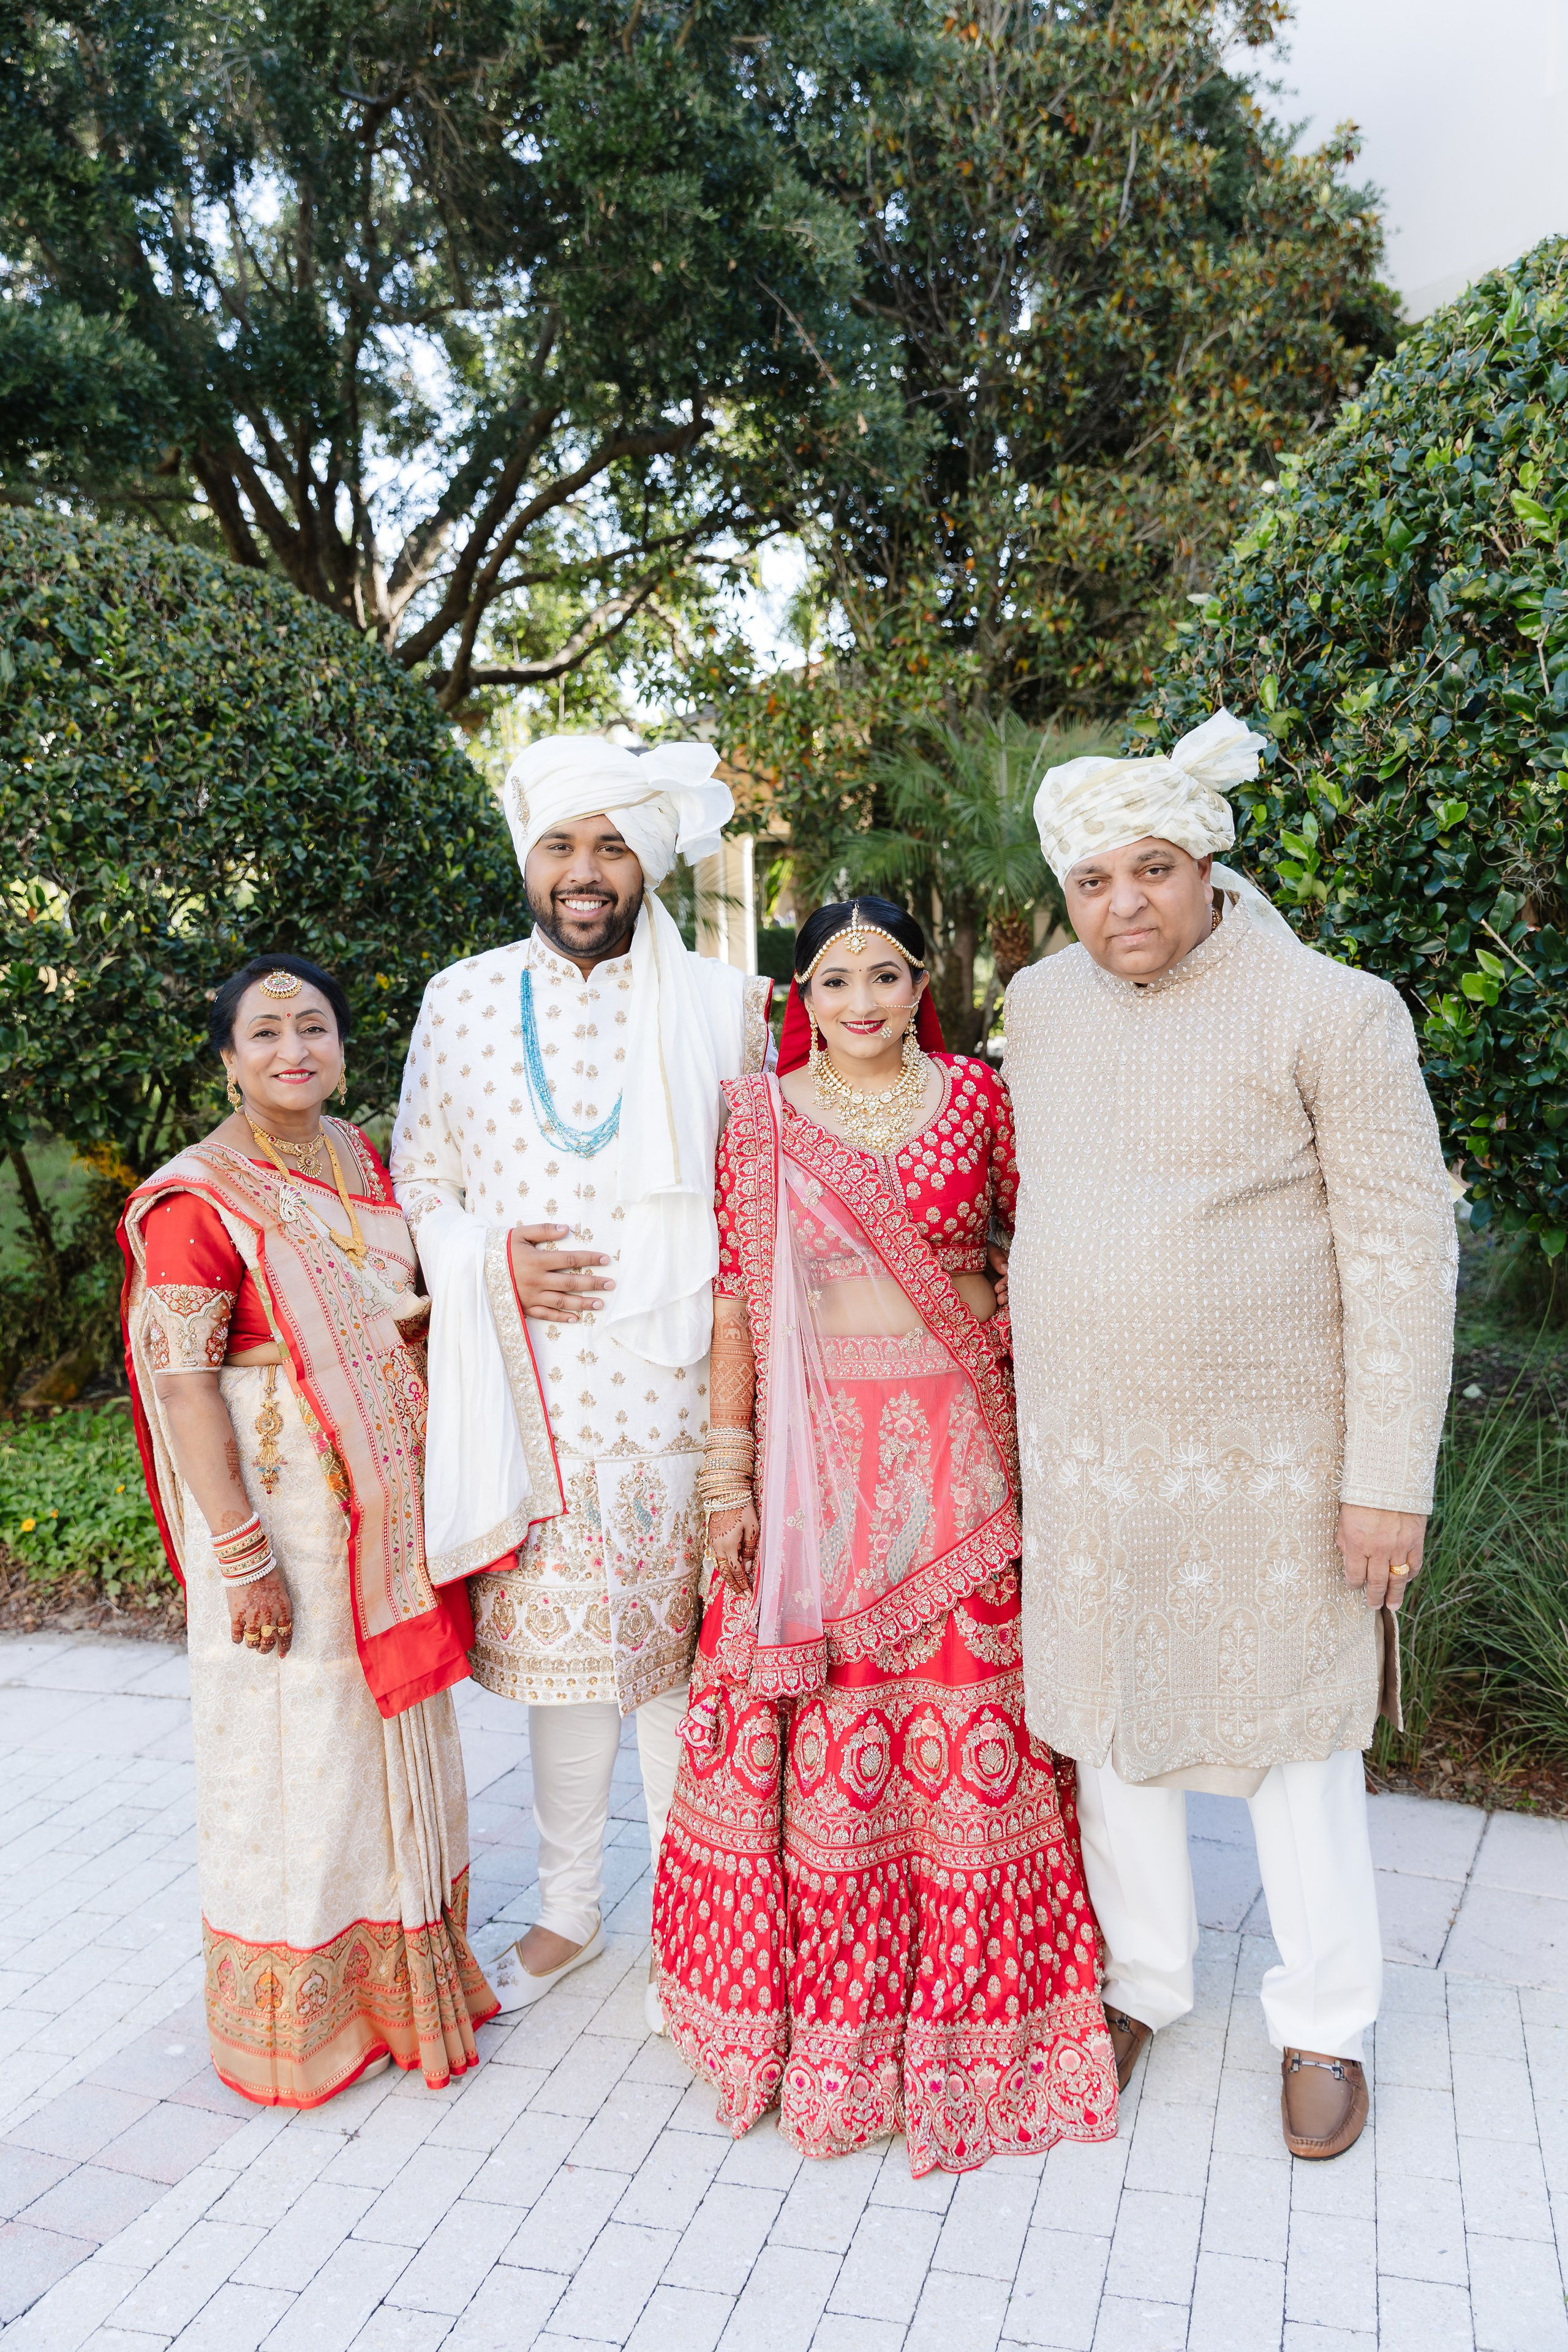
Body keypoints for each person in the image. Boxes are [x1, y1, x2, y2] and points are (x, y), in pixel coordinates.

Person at [1004, 709, 1458, 2160]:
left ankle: (1324, 2017)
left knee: (1292, 1740)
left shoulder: (1333, 1008)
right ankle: (1143, 1977)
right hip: (1087, 1455)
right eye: (1091, 880)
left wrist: (1385, 1482)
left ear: (1205, 864)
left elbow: (1400, 1260)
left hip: (1272, 1466)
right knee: (1114, 1722)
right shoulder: (1037, 1006)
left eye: (1150, 869)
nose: (1120, 905)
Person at [652, 896, 1117, 2176]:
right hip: (815, 1471)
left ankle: (978, 2026)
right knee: (829, 1719)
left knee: (968, 1720)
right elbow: (741, 1298)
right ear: (801, 991)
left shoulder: (978, 1098)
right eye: (835, 976)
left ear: (923, 987)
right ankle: (827, 2033)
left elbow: (1046, 1248)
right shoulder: (758, 1116)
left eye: (886, 974)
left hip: (959, 1441)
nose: (861, 999)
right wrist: (729, 1476)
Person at [391, 737, 773, 2029]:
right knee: (565, 1670)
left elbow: (760, 1197)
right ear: (530, 859)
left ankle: (688, 1913)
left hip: (675, 1396)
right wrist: (484, 1261)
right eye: (562, 844)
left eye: (612, 846)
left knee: (672, 1666)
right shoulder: (459, 999)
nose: (585, 871)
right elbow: (417, 1186)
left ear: (645, 866)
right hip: (530, 1384)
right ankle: (566, 1902)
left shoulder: (723, 1005)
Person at [119, 954, 495, 2108]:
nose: (295, 1050)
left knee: (387, 1742)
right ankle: (300, 2023)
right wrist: (243, 1559)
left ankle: (402, 1982)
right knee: (293, 1752)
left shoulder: (354, 1156)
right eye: (267, 1033)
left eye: (315, 1028)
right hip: (280, 1508)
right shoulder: (196, 1197)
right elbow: (182, 1385)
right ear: (229, 1060)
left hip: (378, 1506)